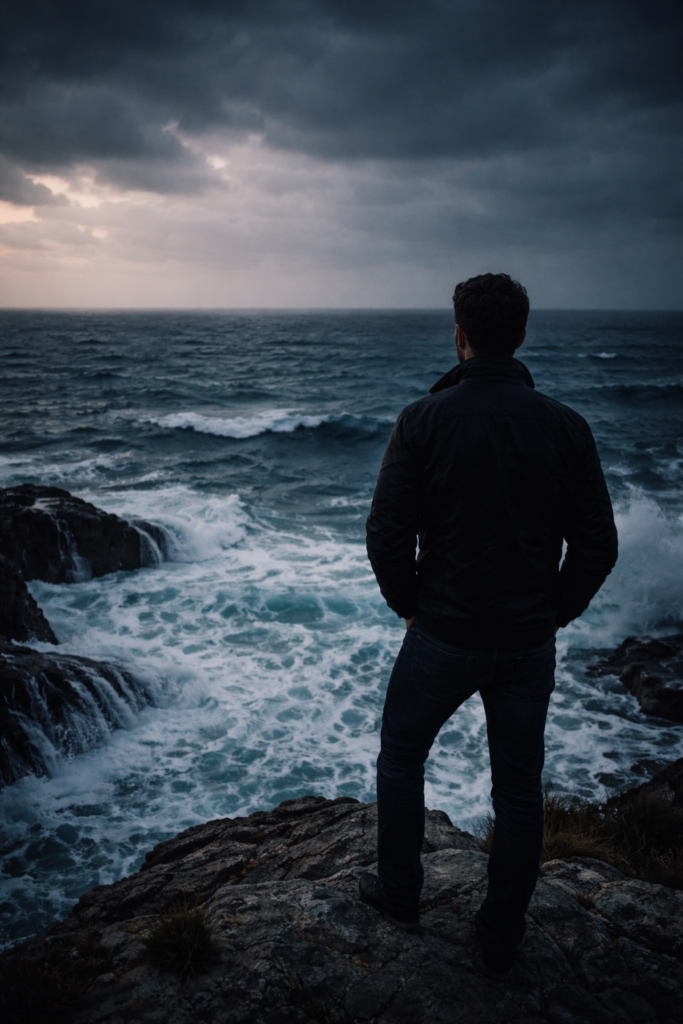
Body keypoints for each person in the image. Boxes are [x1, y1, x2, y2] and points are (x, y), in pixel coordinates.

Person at [360, 273, 618, 977]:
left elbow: (386, 533)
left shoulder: (422, 419)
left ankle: (400, 893)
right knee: (519, 787)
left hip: (442, 633)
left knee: (401, 755)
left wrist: (409, 604)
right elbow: (597, 547)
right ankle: (501, 935)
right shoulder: (566, 426)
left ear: (459, 334)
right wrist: (553, 612)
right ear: (522, 334)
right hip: (526, 642)